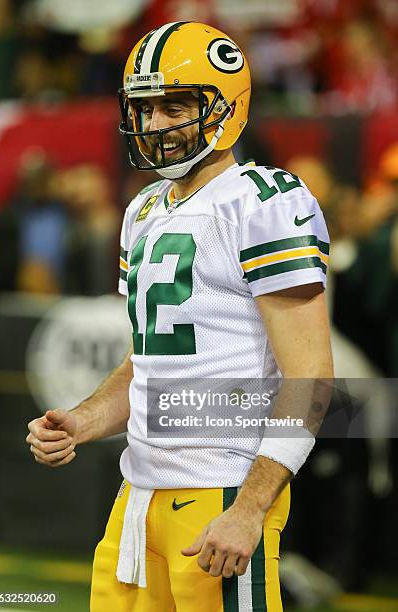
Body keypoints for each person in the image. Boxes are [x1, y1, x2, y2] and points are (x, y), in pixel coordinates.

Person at [26, 21, 333, 611]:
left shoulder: (263, 201)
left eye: (176, 105)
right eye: (145, 107)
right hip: (138, 493)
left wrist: (250, 509)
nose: (158, 123)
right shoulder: (143, 210)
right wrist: (86, 420)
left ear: (226, 106)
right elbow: (147, 360)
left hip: (223, 487)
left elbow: (312, 372)